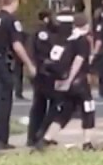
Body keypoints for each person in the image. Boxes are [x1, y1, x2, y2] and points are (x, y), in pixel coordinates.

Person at [36, 13, 98, 151]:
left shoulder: (65, 39)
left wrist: (62, 81)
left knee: (64, 112)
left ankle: (46, 140)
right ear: (86, 26)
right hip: (78, 82)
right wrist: (70, 79)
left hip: (61, 81)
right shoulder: (82, 41)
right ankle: (87, 143)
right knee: (88, 109)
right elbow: (78, 60)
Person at [0, 0, 35, 151]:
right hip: (4, 62)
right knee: (5, 100)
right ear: (14, 2)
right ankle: (1, 138)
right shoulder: (11, 21)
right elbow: (17, 45)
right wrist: (29, 64)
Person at [26, 9, 57, 147]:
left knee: (38, 105)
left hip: (37, 71)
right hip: (47, 72)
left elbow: (29, 50)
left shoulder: (33, 32)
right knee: (57, 103)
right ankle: (43, 134)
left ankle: (32, 136)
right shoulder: (48, 33)